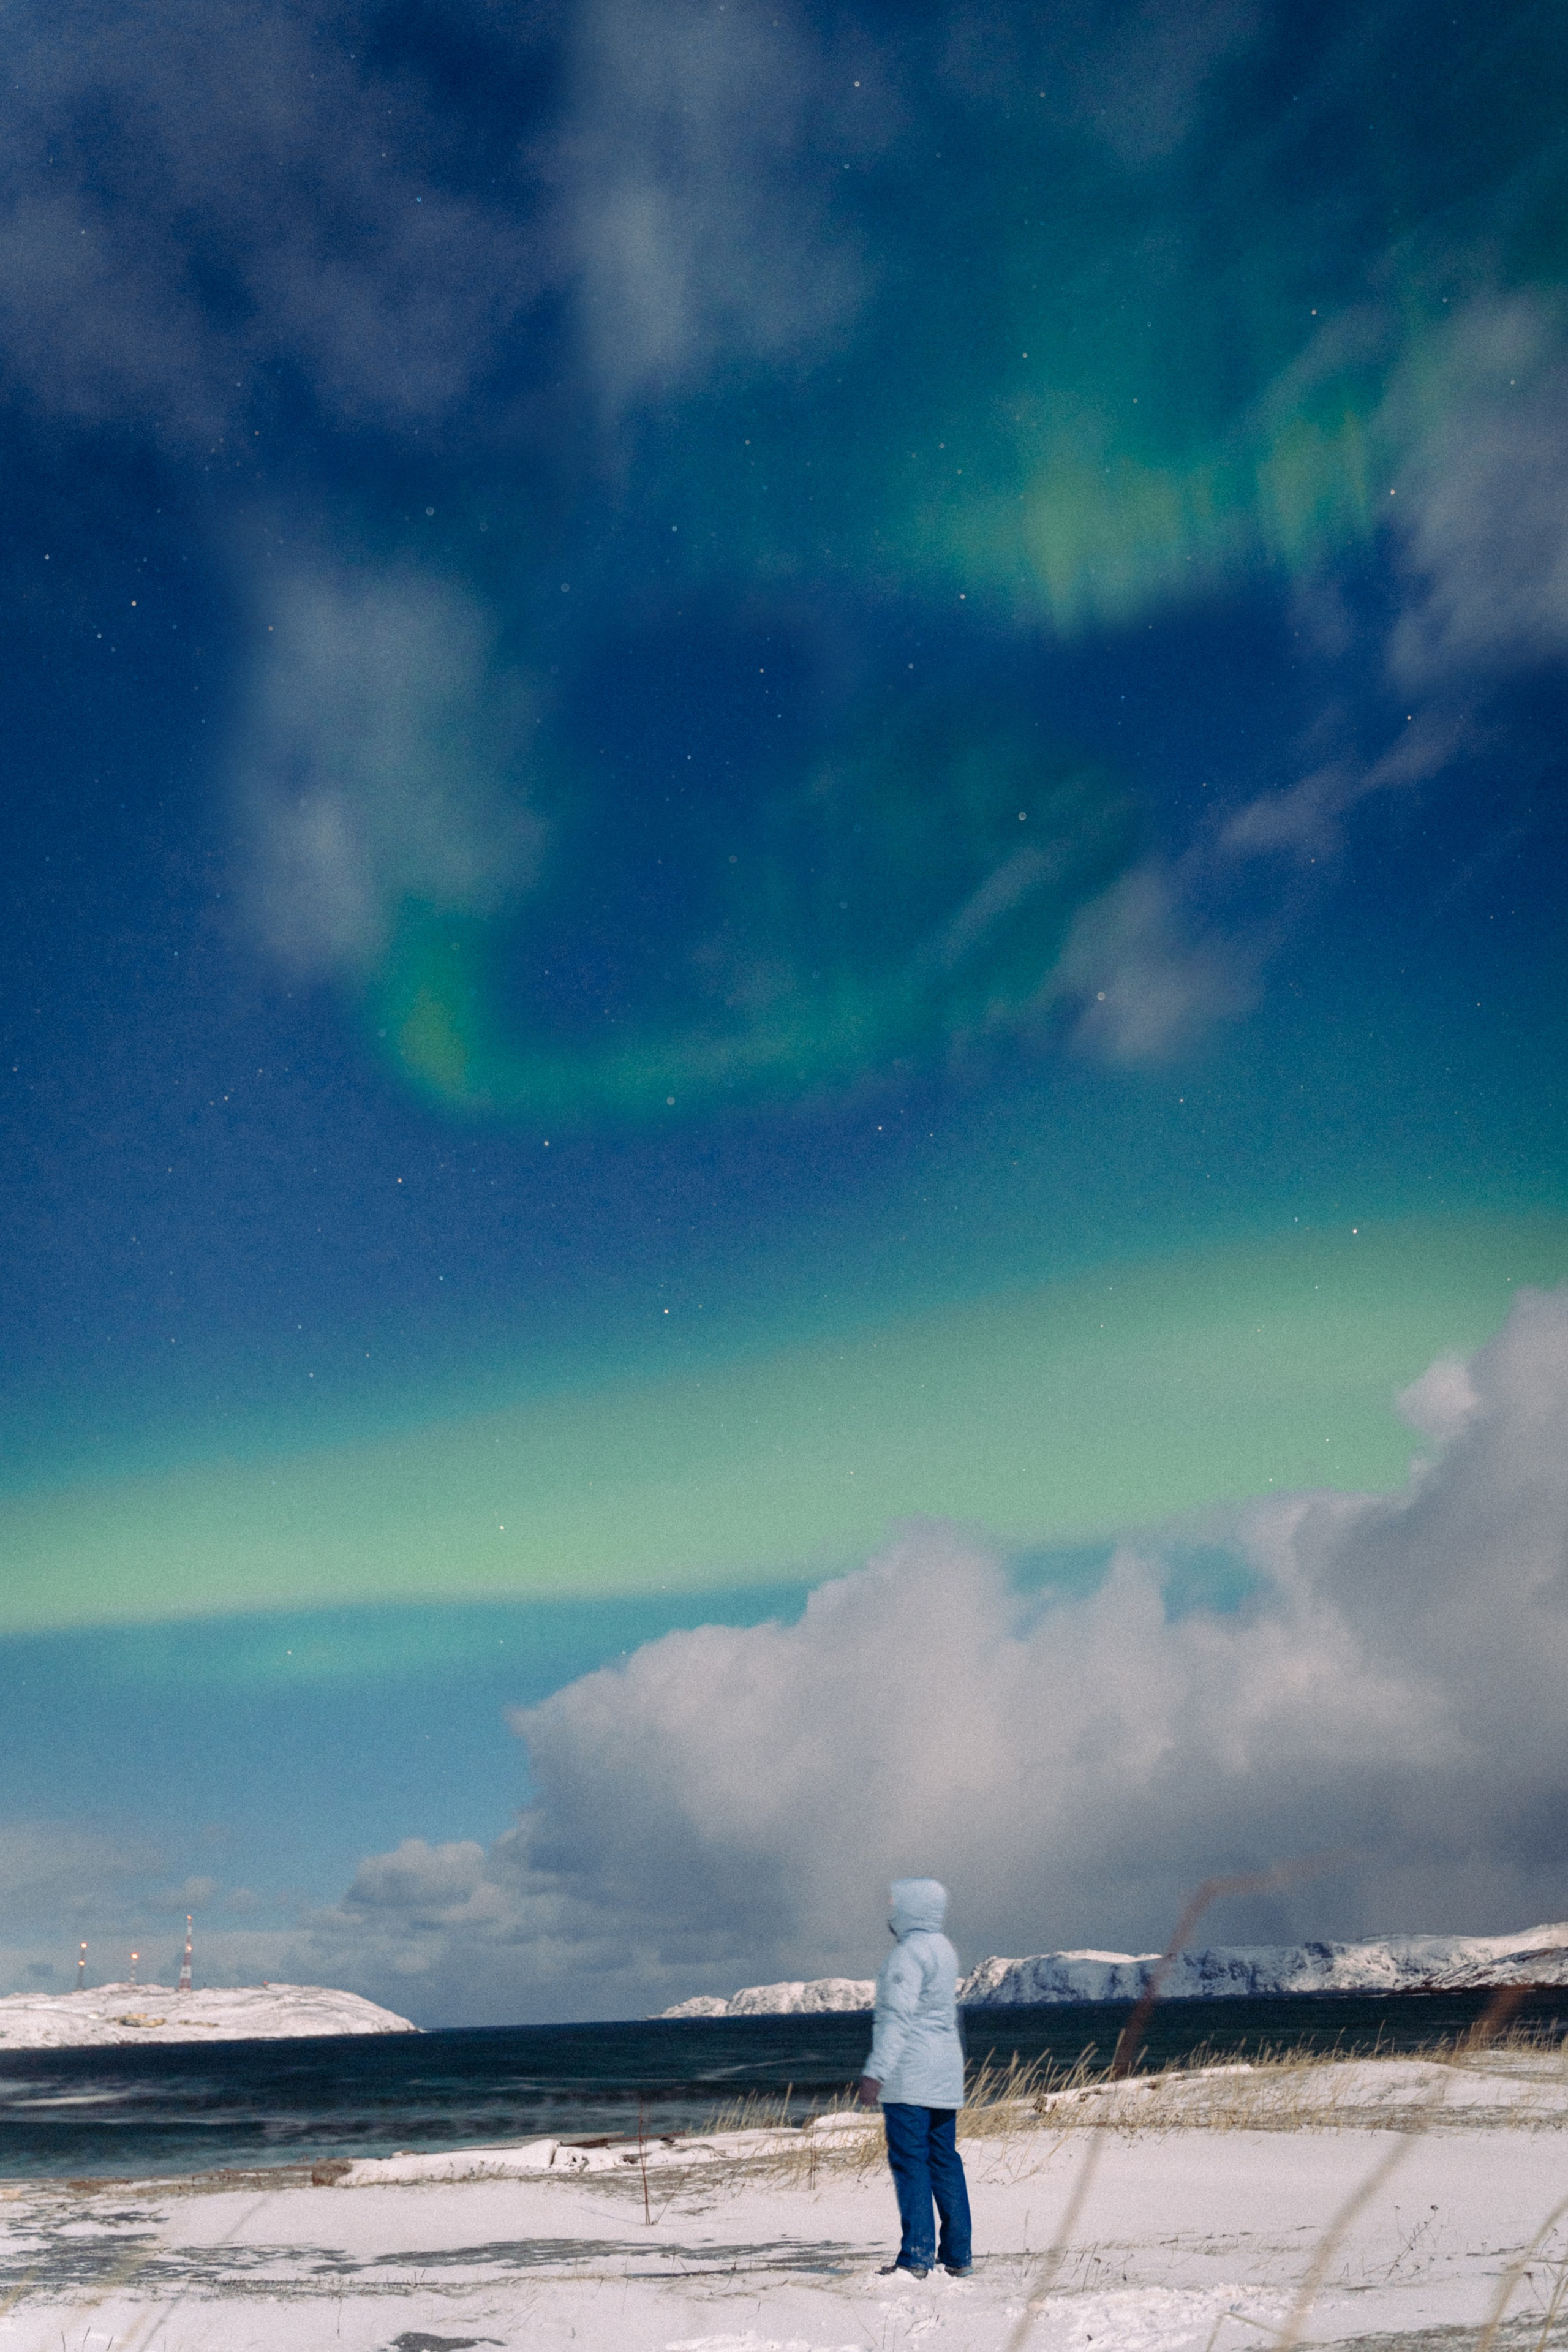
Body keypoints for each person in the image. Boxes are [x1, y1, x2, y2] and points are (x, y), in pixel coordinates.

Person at [857, 1876, 973, 2280]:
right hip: (945, 2074)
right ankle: (958, 2256)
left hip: (911, 2075)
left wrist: (876, 2072)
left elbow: (896, 2018)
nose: (890, 1912)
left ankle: (916, 2258)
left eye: (895, 1904)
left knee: (911, 2163)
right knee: (945, 2160)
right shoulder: (945, 1950)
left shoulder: (906, 1955)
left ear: (911, 1908)